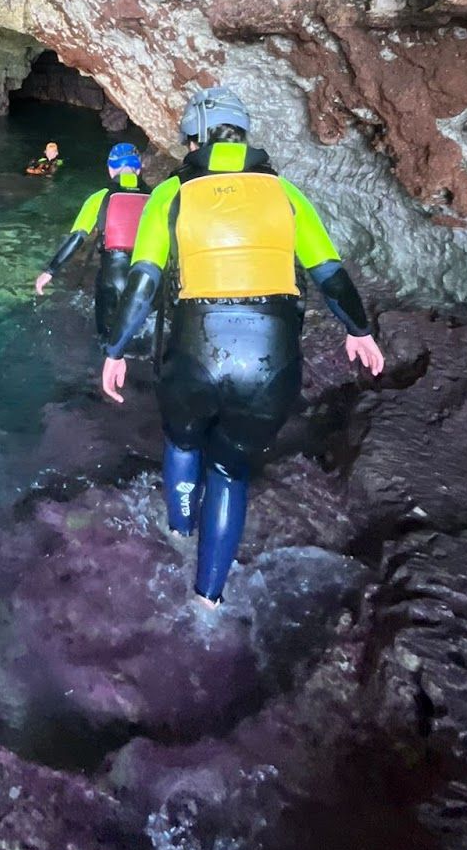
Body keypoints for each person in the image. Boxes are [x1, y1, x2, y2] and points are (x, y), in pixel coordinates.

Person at [100, 86, 384, 607]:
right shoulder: (286, 193)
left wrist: (115, 350)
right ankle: (208, 601)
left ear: (194, 140)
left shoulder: (170, 193)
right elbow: (329, 273)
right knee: (229, 472)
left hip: (197, 348)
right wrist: (359, 331)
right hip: (270, 362)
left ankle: (179, 532)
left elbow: (143, 281)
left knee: (183, 443)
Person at [35, 142, 153, 345]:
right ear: (139, 169)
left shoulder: (100, 197)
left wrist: (50, 271)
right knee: (143, 335)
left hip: (112, 275)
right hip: (147, 276)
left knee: (108, 341)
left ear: (110, 169)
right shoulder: (156, 197)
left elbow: (77, 237)